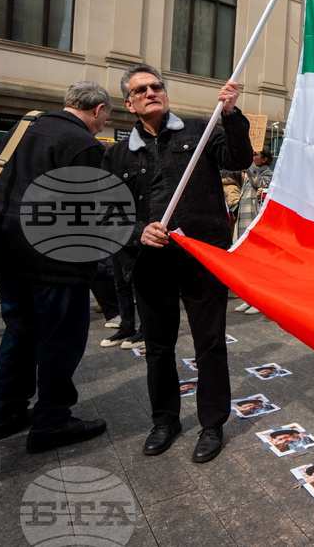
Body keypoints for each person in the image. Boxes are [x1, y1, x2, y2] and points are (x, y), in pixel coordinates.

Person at [102, 63, 251, 463]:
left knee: (210, 344)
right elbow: (107, 214)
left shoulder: (200, 130)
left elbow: (239, 158)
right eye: (141, 90)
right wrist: (137, 233)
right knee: (158, 348)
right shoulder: (117, 154)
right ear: (130, 105)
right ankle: (165, 421)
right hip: (150, 265)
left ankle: (213, 424)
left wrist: (233, 114)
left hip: (201, 258)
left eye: (156, 86)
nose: (152, 92)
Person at [0, 81, 111, 453]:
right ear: (98, 110)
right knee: (59, 340)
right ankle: (52, 419)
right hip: (57, 261)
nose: (101, 126)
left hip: (10, 253)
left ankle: (1, 414)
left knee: (19, 334)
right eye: (104, 119)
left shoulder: (22, 130)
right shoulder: (83, 144)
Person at [233, 149, 272, 315]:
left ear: (264, 159)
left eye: (255, 154)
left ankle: (259, 300)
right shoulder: (250, 174)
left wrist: (248, 164)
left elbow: (260, 185)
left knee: (258, 263)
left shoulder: (268, 174)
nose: (252, 157)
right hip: (244, 224)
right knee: (247, 264)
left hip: (257, 225)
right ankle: (248, 298)